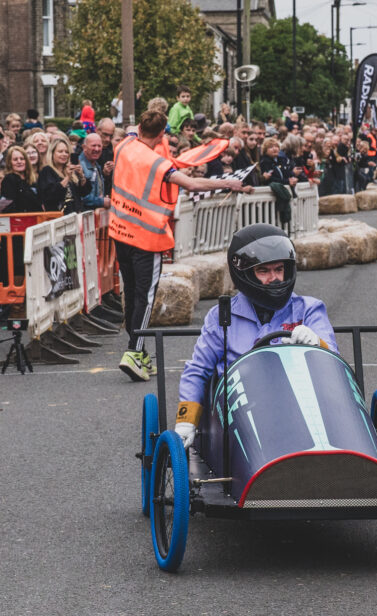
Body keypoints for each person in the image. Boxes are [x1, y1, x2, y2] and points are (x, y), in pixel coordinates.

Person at [110, 110, 253, 381]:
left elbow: (131, 127)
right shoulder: (158, 165)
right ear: (163, 134)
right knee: (145, 296)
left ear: (140, 127)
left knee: (131, 293)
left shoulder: (124, 145)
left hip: (120, 232)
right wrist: (228, 183)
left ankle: (137, 351)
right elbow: (192, 183)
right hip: (147, 237)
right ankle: (133, 350)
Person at [173, 223, 337, 449]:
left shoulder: (308, 309)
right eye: (264, 271)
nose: (275, 278)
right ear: (246, 274)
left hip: (300, 405)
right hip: (240, 414)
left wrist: (317, 344)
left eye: (279, 269)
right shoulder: (222, 316)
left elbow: (334, 362)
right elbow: (198, 369)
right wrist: (186, 420)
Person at [38, 139, 90, 214]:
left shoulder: (70, 170)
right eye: (60, 151)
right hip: (58, 216)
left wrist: (81, 175)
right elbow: (50, 196)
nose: (64, 154)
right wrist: (67, 178)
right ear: (52, 153)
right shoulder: (47, 171)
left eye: (66, 152)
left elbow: (84, 193)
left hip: (75, 214)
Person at [0, 145, 41, 213]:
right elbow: (8, 206)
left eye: (22, 159)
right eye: (15, 159)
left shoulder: (31, 179)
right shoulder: (9, 180)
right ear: (10, 162)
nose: (19, 162)